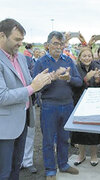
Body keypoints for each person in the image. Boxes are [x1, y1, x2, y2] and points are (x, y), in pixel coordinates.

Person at [0, 18, 52, 180]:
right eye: (17, 39)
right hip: (4, 127)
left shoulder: (21, 58)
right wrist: (32, 88)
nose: (20, 44)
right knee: (4, 172)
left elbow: (28, 83)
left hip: (22, 121)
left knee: (16, 168)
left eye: (22, 40)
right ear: (2, 36)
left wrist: (45, 79)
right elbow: (2, 96)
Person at [33, 31, 82, 180]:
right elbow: (36, 87)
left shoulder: (68, 60)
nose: (59, 47)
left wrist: (69, 78)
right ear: (47, 45)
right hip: (49, 105)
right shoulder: (41, 62)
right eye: (55, 43)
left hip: (67, 104)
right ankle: (50, 170)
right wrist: (52, 78)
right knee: (48, 139)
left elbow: (79, 82)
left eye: (61, 44)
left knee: (64, 138)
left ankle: (63, 164)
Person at [71, 47, 100, 167]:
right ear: (80, 57)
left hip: (94, 103)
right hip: (79, 101)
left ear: (92, 57)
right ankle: (81, 154)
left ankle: (94, 155)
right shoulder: (76, 68)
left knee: (93, 130)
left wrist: (98, 80)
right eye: (84, 56)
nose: (87, 58)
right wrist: (86, 79)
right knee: (80, 129)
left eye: (89, 56)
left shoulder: (97, 67)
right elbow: (74, 86)